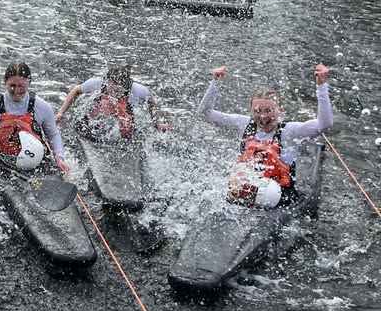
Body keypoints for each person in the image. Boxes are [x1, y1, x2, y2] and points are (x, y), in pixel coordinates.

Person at [198, 63, 333, 206]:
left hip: (280, 199)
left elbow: (325, 124)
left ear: (280, 110)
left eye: (268, 111)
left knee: (270, 193)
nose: (262, 116)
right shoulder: (243, 123)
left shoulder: (290, 131)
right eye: (257, 111)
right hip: (246, 194)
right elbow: (205, 114)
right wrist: (215, 82)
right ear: (250, 110)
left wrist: (322, 86)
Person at [0, 62, 70, 177]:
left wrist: (59, 158)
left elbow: (53, 135)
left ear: (28, 83)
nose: (16, 91)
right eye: (12, 85)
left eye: (21, 86)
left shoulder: (42, 107)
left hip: (30, 163)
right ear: (5, 82)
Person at [56, 63, 169, 141]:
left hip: (121, 114)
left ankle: (124, 136)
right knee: (94, 112)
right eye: (112, 85)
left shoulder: (138, 90)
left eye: (119, 87)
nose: (115, 89)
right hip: (97, 113)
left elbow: (151, 102)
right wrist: (61, 113)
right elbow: (76, 90)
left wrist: (156, 124)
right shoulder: (96, 83)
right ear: (107, 82)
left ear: (126, 86)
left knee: (128, 127)